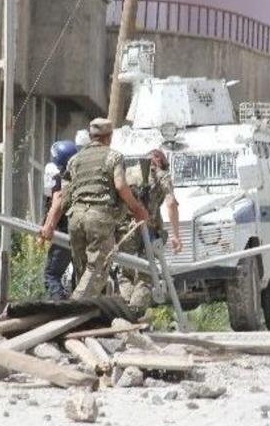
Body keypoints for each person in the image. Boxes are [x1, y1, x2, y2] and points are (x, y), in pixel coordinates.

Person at [41, 118, 148, 300]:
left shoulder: (74, 160)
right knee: (97, 272)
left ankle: (87, 315)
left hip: (75, 220)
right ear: (109, 136)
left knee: (84, 274)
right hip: (99, 219)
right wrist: (137, 210)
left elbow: (62, 197)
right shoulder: (113, 157)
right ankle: (75, 306)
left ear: (91, 136)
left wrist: (49, 225)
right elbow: (121, 186)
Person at [116, 149, 182, 312]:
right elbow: (171, 203)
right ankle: (135, 312)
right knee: (147, 273)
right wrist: (175, 235)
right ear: (159, 160)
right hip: (150, 230)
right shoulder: (162, 176)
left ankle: (125, 310)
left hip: (126, 230)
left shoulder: (127, 173)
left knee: (126, 273)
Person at [39, 140, 79, 300]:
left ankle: (59, 309)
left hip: (65, 231)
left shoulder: (61, 184)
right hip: (83, 231)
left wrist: (46, 229)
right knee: (81, 276)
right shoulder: (79, 180)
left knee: (51, 275)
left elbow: (56, 206)